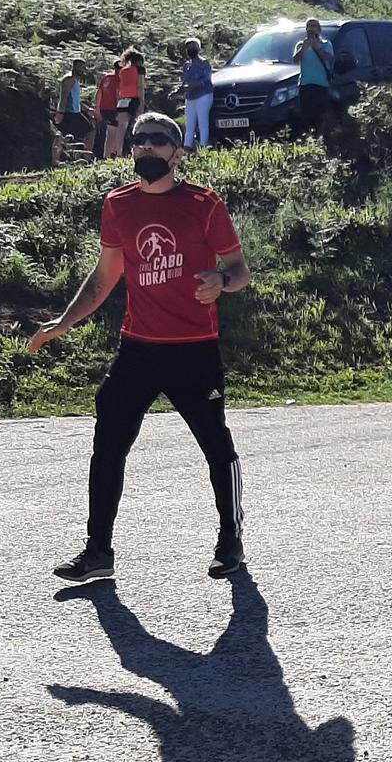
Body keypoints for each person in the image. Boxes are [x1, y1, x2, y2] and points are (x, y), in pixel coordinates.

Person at [26, 111, 253, 583]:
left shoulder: (204, 204)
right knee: (107, 443)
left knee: (216, 445)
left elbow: (238, 270)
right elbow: (105, 275)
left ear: (178, 152)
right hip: (138, 349)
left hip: (193, 348)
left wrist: (221, 281)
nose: (146, 147)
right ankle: (97, 552)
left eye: (156, 140)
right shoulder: (118, 204)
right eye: (139, 141)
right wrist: (63, 322)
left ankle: (231, 540)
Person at [292, 19, 336, 127]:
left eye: (314, 26)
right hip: (305, 85)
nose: (311, 28)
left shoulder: (326, 44)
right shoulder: (300, 45)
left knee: (320, 116)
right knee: (306, 116)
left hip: (321, 85)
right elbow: (295, 60)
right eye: (308, 26)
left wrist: (317, 47)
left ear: (319, 29)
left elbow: (330, 59)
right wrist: (304, 48)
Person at [102, 48, 145, 159]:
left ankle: (118, 153)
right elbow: (140, 86)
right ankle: (137, 151)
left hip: (122, 101)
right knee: (136, 126)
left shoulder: (123, 71)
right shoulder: (139, 69)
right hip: (134, 99)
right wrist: (141, 102)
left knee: (121, 129)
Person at [174, 36, 215, 151]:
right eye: (188, 47)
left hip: (204, 95)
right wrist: (176, 92)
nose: (190, 49)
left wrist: (190, 86)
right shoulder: (187, 66)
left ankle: (203, 147)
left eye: (193, 47)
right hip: (191, 97)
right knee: (189, 124)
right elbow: (184, 83)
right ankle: (187, 148)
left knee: (202, 122)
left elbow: (205, 81)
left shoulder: (204, 63)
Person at [53, 57, 95, 160]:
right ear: (75, 66)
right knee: (90, 131)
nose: (82, 70)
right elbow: (64, 97)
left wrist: (87, 109)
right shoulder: (69, 79)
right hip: (69, 113)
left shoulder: (75, 80)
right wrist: (60, 113)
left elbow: (76, 100)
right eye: (80, 67)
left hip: (75, 112)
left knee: (62, 136)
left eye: (84, 68)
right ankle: (86, 157)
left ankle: (81, 157)